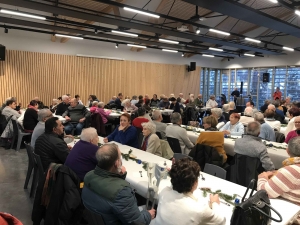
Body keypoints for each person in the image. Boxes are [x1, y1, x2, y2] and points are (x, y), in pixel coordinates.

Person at [82, 143, 154, 225]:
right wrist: (148, 214)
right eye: (120, 158)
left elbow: (110, 186)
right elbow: (138, 222)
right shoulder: (122, 193)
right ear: (116, 164)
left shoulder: (89, 175)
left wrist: (119, 176)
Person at [152, 158, 225, 225]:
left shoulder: (164, 192)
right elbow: (222, 221)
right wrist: (214, 202)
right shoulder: (199, 209)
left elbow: (172, 185)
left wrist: (174, 174)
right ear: (195, 182)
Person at [257, 137, 300, 214]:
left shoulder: (291, 171)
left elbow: (263, 193)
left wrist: (262, 177)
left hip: (290, 215)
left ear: (287, 151)